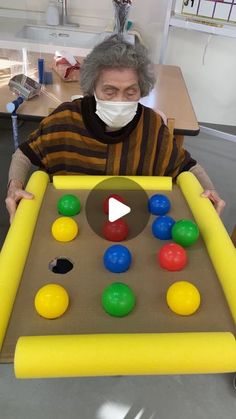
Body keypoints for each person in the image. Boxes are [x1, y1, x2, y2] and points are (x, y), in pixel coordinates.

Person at [6, 35, 225, 223]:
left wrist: (210, 190)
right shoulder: (64, 120)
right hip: (68, 219)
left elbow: (187, 166)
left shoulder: (151, 126)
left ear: (142, 89)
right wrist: (14, 186)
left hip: (131, 222)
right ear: (92, 88)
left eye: (131, 92)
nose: (120, 100)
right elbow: (24, 153)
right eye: (109, 91)